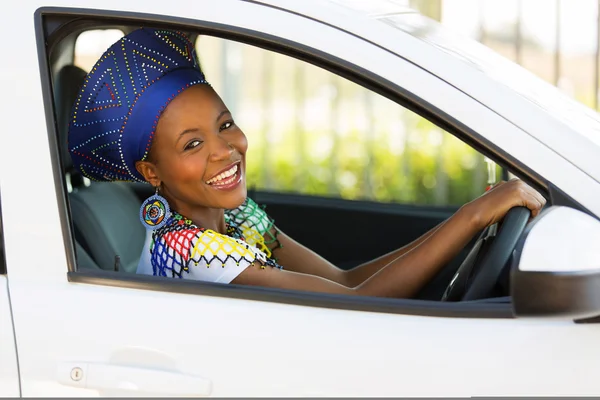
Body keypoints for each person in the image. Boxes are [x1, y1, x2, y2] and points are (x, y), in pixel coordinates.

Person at [68, 27, 546, 298]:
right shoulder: (194, 254)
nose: (225, 149)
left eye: (226, 123)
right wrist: (473, 216)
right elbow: (357, 305)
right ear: (152, 174)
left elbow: (340, 279)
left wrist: (461, 230)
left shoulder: (235, 216)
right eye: (192, 145)